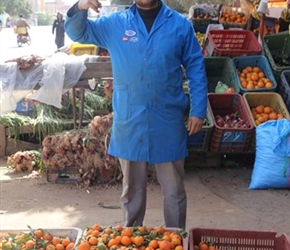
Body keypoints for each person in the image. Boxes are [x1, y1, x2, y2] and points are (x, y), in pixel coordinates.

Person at [65, 0, 208, 229]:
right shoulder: (115, 24)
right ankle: (131, 239)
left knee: (174, 191)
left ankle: (176, 237)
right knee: (132, 191)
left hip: (167, 118)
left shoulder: (180, 25)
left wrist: (198, 110)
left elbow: (196, 67)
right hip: (130, 119)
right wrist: (79, 6)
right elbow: (77, 32)